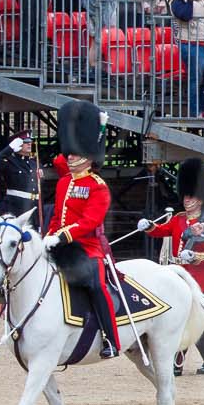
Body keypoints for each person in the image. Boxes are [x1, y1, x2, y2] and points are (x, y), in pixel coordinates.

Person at [45, 100, 118, 358]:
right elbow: (57, 215)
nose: (70, 156)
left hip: (87, 248)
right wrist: (49, 236)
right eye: (70, 152)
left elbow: (89, 221)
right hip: (61, 245)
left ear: (88, 156)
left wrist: (63, 235)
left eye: (75, 153)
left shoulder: (98, 186)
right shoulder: (65, 182)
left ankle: (111, 338)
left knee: (97, 286)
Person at [144, 158, 204, 375]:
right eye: (186, 197)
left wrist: (194, 255)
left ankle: (178, 362)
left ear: (200, 200)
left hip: (198, 278)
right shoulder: (179, 219)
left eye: (191, 197)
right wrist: (149, 226)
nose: (187, 201)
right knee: (188, 320)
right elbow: (163, 230)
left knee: (187, 320)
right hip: (179, 277)